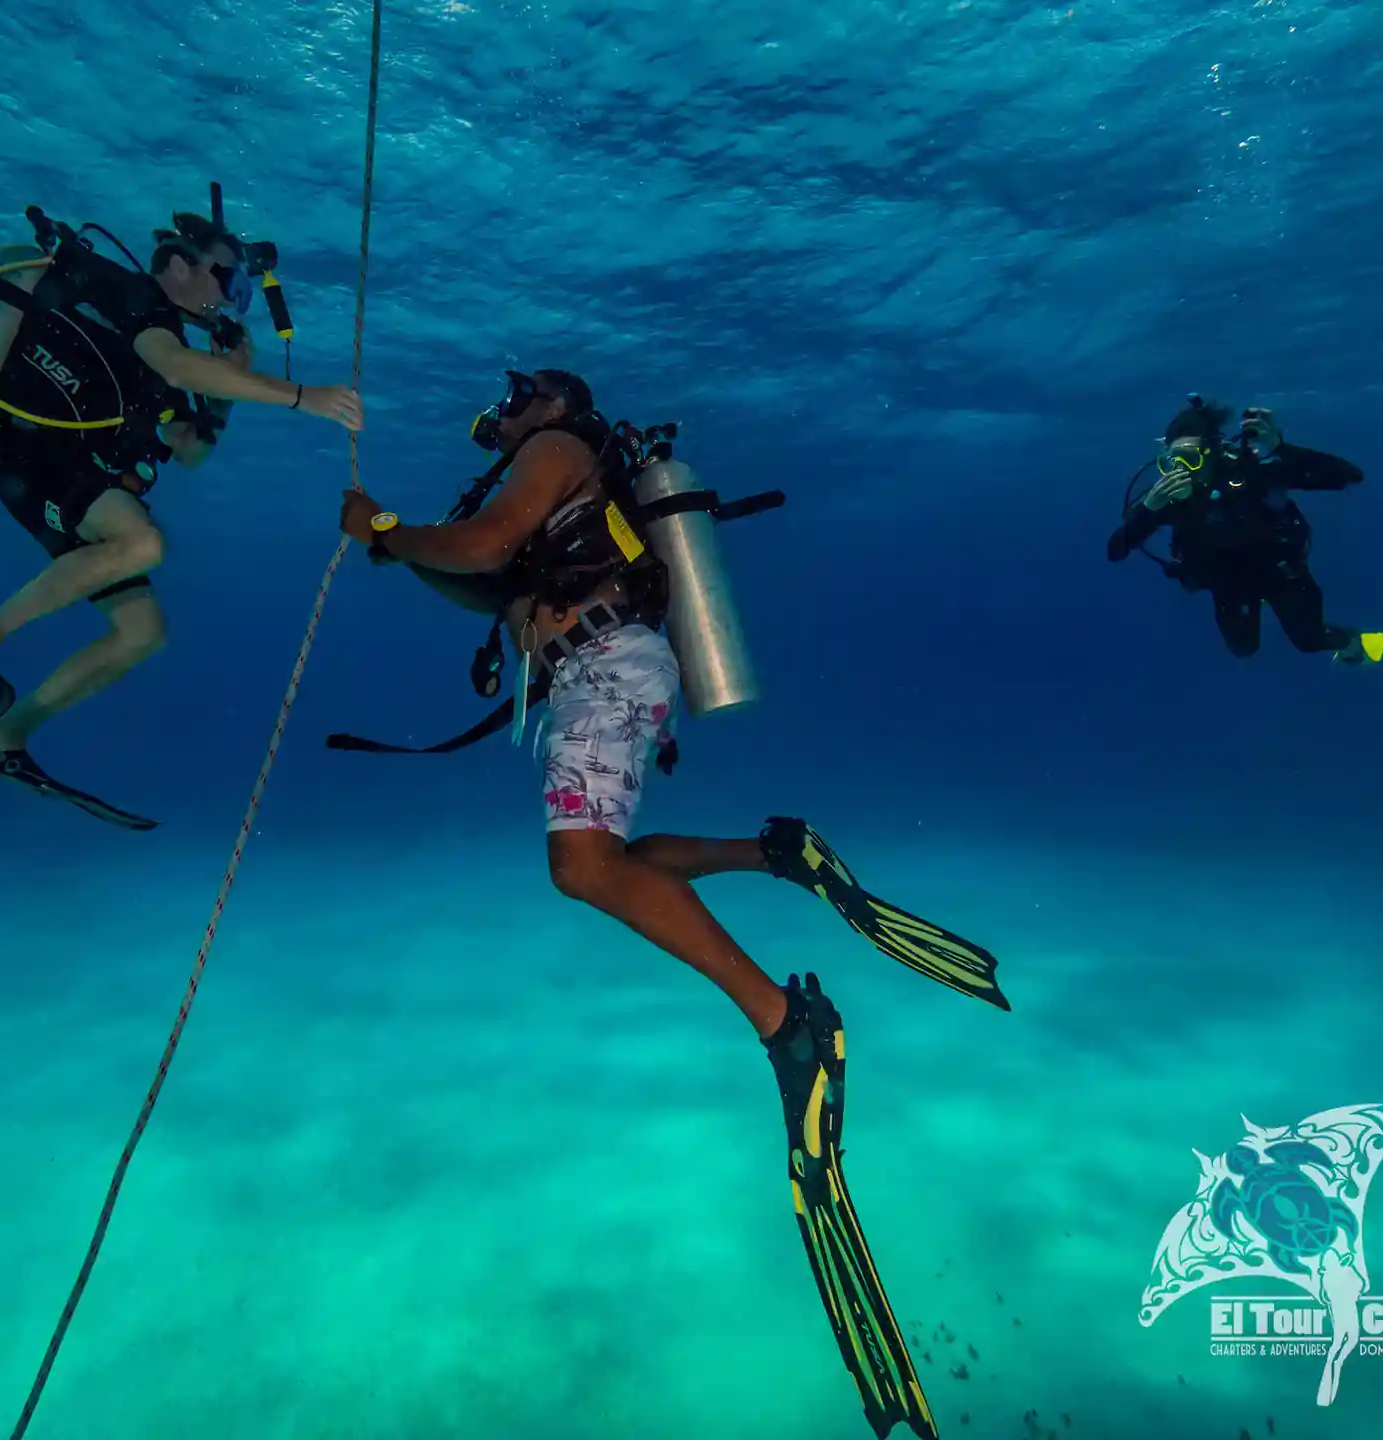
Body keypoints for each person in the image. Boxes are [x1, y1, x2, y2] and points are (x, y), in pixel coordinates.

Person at [335, 367, 1005, 1440]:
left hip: (603, 668)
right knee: (623, 859)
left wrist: (387, 529)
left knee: (582, 868)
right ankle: (776, 852)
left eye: (517, 397)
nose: (502, 413)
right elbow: (480, 575)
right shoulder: (549, 483)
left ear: (550, 406)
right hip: (607, 668)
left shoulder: (552, 456)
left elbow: (471, 547)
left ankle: (792, 1028)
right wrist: (407, 548)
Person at [0, 194, 362, 825]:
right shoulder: (134, 302)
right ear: (178, 266)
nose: (233, 298)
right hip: (30, 457)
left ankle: (2, 738)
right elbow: (172, 360)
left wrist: (228, 388)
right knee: (143, 544)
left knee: (142, 632)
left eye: (243, 290)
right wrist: (302, 396)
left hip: (68, 478)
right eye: (227, 277)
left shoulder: (160, 355)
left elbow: (189, 449)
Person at [1108, 395, 1383, 665]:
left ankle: (1352, 642)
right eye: (1171, 462)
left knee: (1309, 641)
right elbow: (1116, 550)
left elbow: (1349, 476)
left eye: (1191, 459)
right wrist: (1148, 509)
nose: (1182, 471)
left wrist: (1280, 449)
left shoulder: (1250, 474)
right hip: (1227, 583)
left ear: (1212, 453)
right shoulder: (1166, 499)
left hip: (1280, 571)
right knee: (1243, 648)